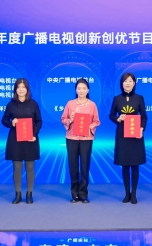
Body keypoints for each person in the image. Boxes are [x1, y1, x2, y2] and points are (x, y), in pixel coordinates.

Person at [2, 78, 42, 204]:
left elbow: (39, 121)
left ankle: (29, 194)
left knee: (30, 167)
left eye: (23, 87)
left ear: (27, 89)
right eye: (18, 87)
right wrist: (11, 123)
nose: (21, 89)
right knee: (17, 167)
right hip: (15, 140)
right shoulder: (11, 105)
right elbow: (4, 120)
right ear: (15, 89)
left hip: (30, 139)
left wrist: (34, 134)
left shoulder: (33, 104)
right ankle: (18, 194)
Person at [61, 78, 101, 203]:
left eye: (84, 88)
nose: (81, 90)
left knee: (84, 165)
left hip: (86, 139)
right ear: (76, 90)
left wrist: (89, 126)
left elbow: (97, 121)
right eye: (79, 88)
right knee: (73, 165)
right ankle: (75, 194)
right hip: (72, 138)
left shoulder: (92, 105)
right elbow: (63, 119)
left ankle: (83, 194)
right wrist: (71, 120)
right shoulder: (70, 104)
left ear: (88, 90)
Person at [109, 72, 147, 204]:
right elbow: (111, 115)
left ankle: (134, 194)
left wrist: (141, 128)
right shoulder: (117, 99)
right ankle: (127, 194)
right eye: (125, 81)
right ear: (122, 83)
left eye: (130, 81)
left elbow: (144, 116)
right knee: (125, 164)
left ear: (134, 83)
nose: (128, 83)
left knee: (135, 164)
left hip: (136, 134)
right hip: (122, 135)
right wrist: (118, 119)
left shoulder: (139, 98)